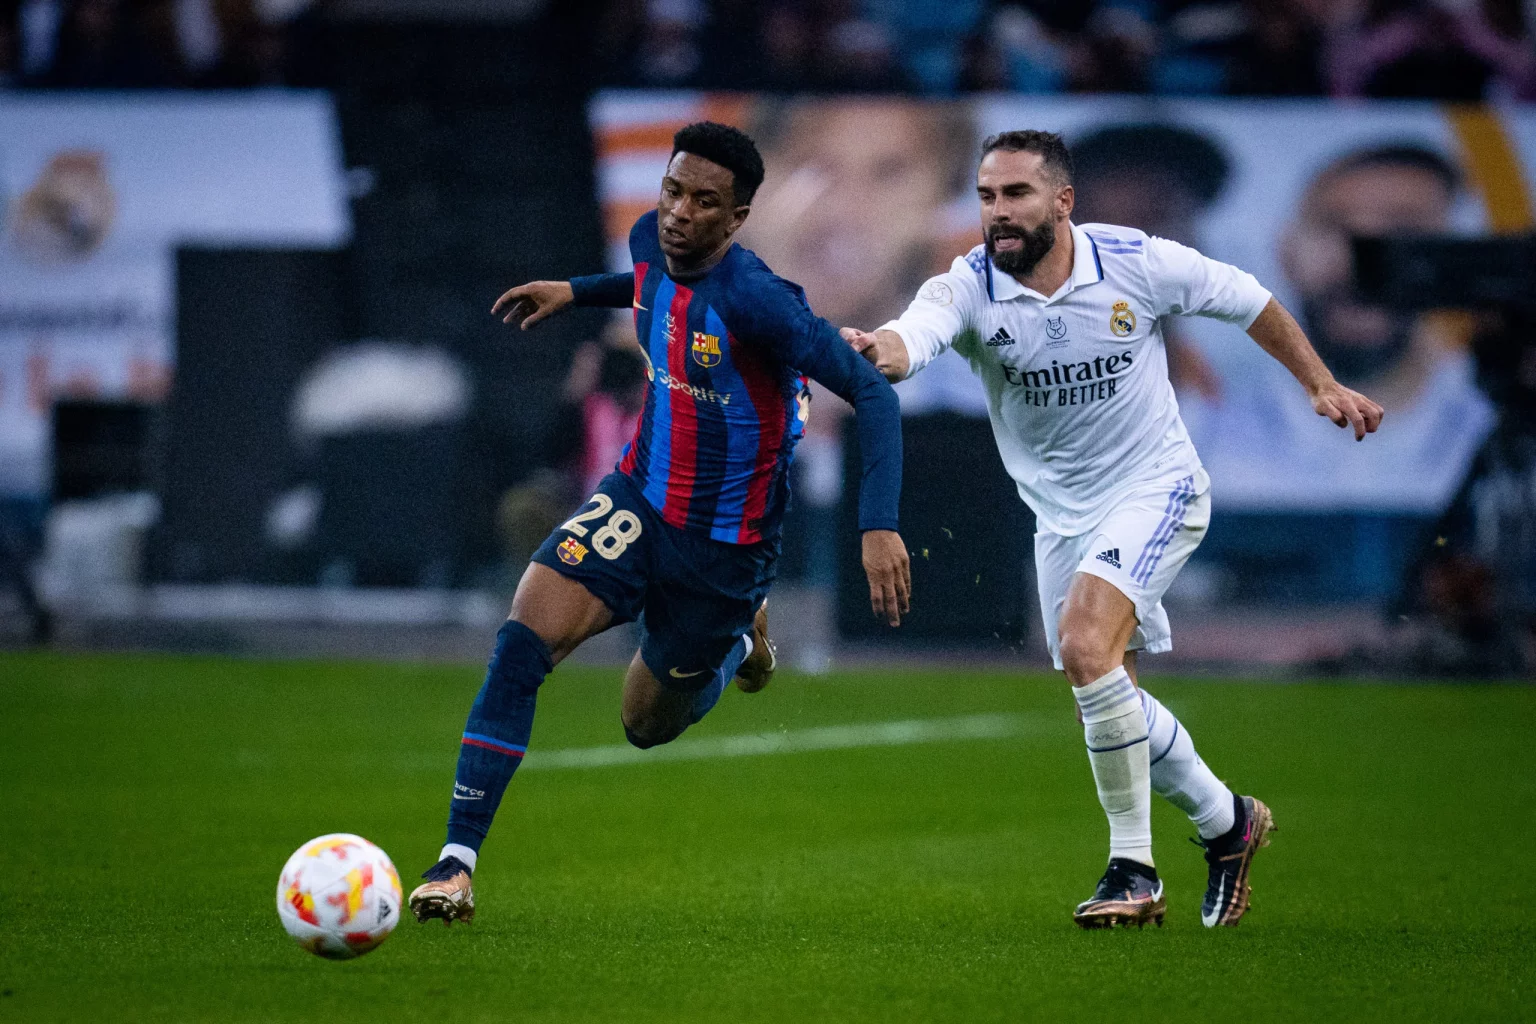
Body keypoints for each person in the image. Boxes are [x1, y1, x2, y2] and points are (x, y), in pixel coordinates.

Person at [842, 130, 1382, 929]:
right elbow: (909, 339)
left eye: (1017, 194)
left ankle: (1134, 871)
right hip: (1061, 516)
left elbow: (1249, 300)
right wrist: (872, 349)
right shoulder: (967, 285)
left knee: (1087, 647)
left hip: (1157, 488)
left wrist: (1319, 382)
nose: (999, 212)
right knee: (1103, 693)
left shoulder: (1135, 261)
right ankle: (1229, 822)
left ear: (1063, 201)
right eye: (987, 196)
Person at [408, 121, 911, 925]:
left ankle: (739, 642)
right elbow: (645, 280)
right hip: (637, 500)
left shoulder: (762, 302)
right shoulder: (651, 236)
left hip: (724, 550)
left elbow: (874, 394)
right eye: (673, 190)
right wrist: (576, 290)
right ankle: (454, 865)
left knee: (643, 724)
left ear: (738, 218)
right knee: (520, 646)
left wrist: (878, 525)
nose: (679, 211)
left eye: (704, 202)